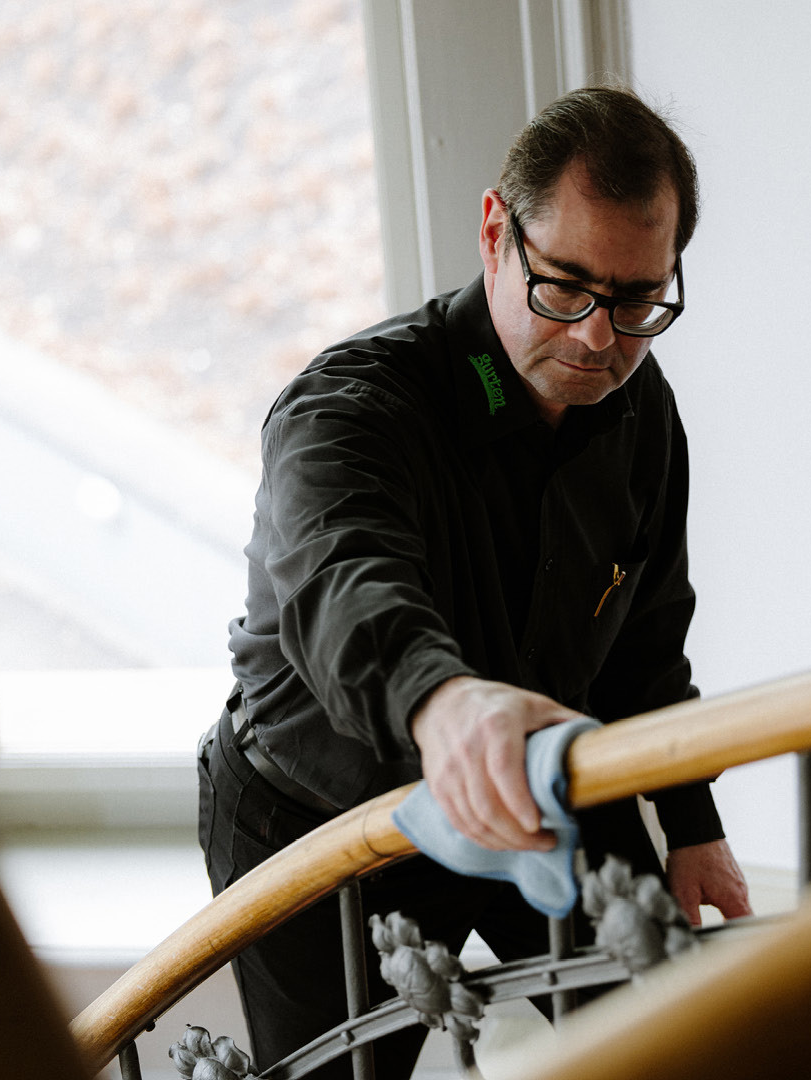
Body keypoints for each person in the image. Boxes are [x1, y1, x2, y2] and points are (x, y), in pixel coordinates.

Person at [198, 86, 750, 1078]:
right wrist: (443, 707)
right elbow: (345, 583)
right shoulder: (349, 410)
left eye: (636, 300)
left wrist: (695, 823)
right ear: (496, 232)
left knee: (667, 1042)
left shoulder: (639, 406)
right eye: (565, 286)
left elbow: (645, 635)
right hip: (330, 827)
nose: (596, 337)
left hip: (539, 785)